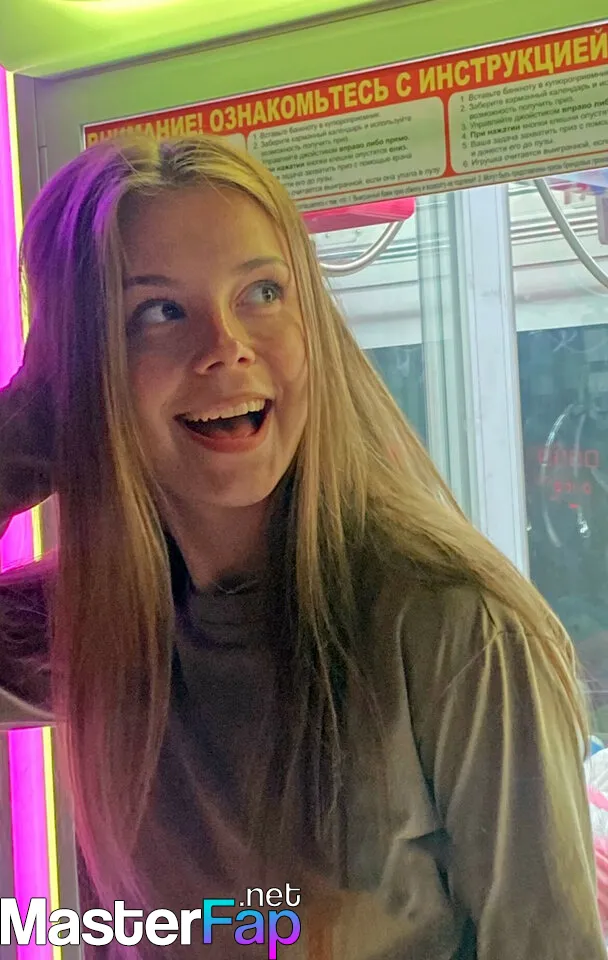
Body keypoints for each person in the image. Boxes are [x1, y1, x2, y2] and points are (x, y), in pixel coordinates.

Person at [0, 134, 604, 959]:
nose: (226, 345)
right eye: (159, 312)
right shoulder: (101, 623)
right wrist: (36, 424)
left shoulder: (458, 632)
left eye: (262, 291)